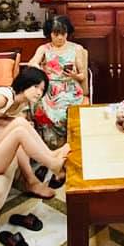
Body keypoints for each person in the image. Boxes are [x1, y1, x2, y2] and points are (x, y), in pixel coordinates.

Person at [27, 16, 88, 148]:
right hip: (48, 88)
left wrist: (74, 75)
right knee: (38, 105)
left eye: (63, 34)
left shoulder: (77, 49)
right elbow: (32, 63)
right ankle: (46, 147)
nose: (60, 37)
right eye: (56, 34)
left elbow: (83, 76)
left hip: (69, 88)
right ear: (50, 33)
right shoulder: (44, 49)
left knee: (61, 113)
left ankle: (68, 145)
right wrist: (39, 68)